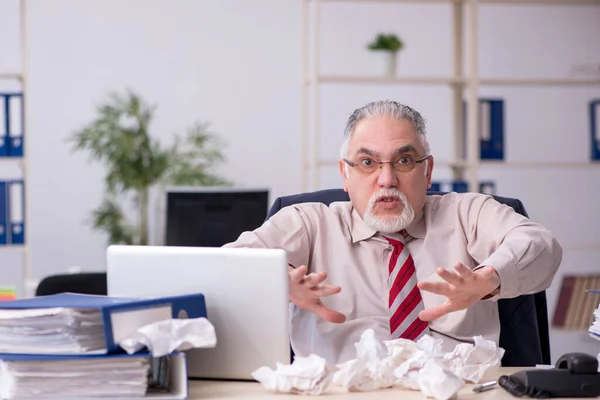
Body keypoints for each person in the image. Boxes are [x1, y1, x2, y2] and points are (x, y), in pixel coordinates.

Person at [223, 100, 562, 366]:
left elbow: (541, 245)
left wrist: (488, 279)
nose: (387, 180)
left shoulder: (467, 212)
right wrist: (275, 281)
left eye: (403, 161)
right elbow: (229, 265)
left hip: (459, 390)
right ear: (345, 173)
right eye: (368, 162)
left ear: (427, 171)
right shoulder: (308, 222)